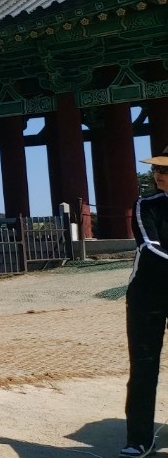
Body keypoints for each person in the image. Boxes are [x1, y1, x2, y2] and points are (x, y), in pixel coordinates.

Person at [121, 147, 168, 458]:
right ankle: (139, 438)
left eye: (165, 169)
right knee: (144, 367)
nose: (158, 174)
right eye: (156, 169)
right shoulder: (146, 205)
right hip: (147, 296)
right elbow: (149, 248)